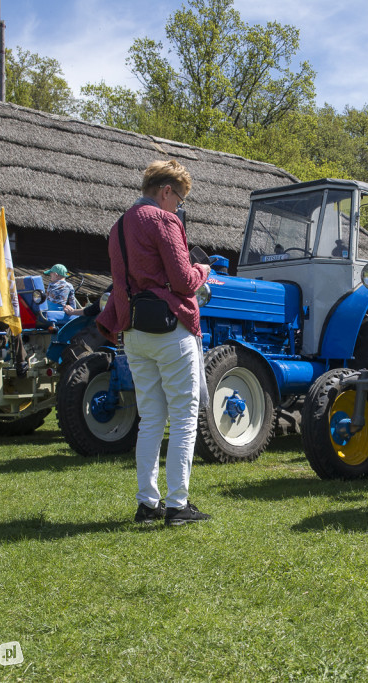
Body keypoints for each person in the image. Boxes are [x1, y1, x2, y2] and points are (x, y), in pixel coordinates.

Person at [97, 159, 212, 527]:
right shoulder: (163, 220)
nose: (180, 207)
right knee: (183, 417)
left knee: (150, 419)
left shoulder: (117, 227)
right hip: (170, 329)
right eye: (179, 200)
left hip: (133, 331)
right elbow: (182, 280)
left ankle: (148, 503)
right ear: (166, 191)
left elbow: (120, 284)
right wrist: (203, 270)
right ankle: (178, 505)